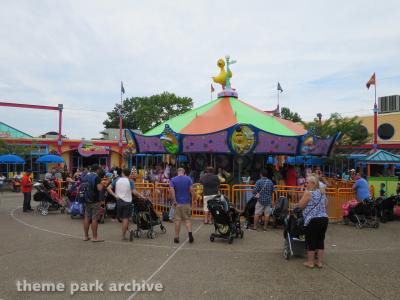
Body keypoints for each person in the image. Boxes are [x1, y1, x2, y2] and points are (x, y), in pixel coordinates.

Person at [298, 175, 328, 268]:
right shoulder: (322, 192)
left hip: (312, 219)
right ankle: (319, 262)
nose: (306, 184)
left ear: (313, 183)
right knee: (320, 241)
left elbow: (300, 206)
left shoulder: (309, 193)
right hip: (324, 219)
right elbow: (326, 205)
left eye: (307, 182)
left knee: (311, 241)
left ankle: (310, 262)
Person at [107, 168, 145, 240]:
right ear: (129, 174)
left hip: (119, 201)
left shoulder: (117, 180)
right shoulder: (130, 181)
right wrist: (141, 196)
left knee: (123, 218)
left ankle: (128, 229)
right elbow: (134, 192)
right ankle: (125, 234)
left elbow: (108, 188)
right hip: (127, 202)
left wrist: (115, 195)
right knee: (126, 218)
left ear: (122, 173)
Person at [169, 168, 195, 244]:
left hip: (177, 203)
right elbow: (192, 190)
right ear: (184, 172)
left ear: (177, 172)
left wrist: (174, 200)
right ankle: (190, 233)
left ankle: (176, 237)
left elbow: (172, 191)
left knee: (177, 220)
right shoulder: (188, 179)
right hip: (186, 202)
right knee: (187, 219)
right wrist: (195, 198)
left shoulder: (173, 180)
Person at [82, 165, 105, 242]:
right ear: (97, 170)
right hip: (94, 200)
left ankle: (85, 236)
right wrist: (103, 184)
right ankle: (95, 237)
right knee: (94, 218)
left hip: (86, 199)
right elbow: (99, 188)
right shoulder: (97, 177)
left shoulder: (85, 176)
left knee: (87, 217)